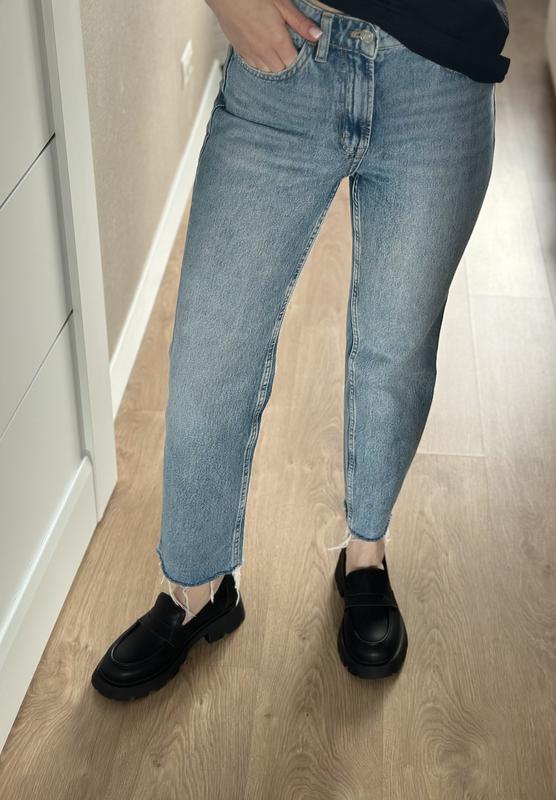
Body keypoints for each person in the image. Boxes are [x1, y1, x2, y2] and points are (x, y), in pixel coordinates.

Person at [91, 0, 510, 699]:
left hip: (442, 72)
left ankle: (366, 559)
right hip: (286, 59)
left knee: (397, 354)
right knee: (211, 352)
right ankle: (196, 591)